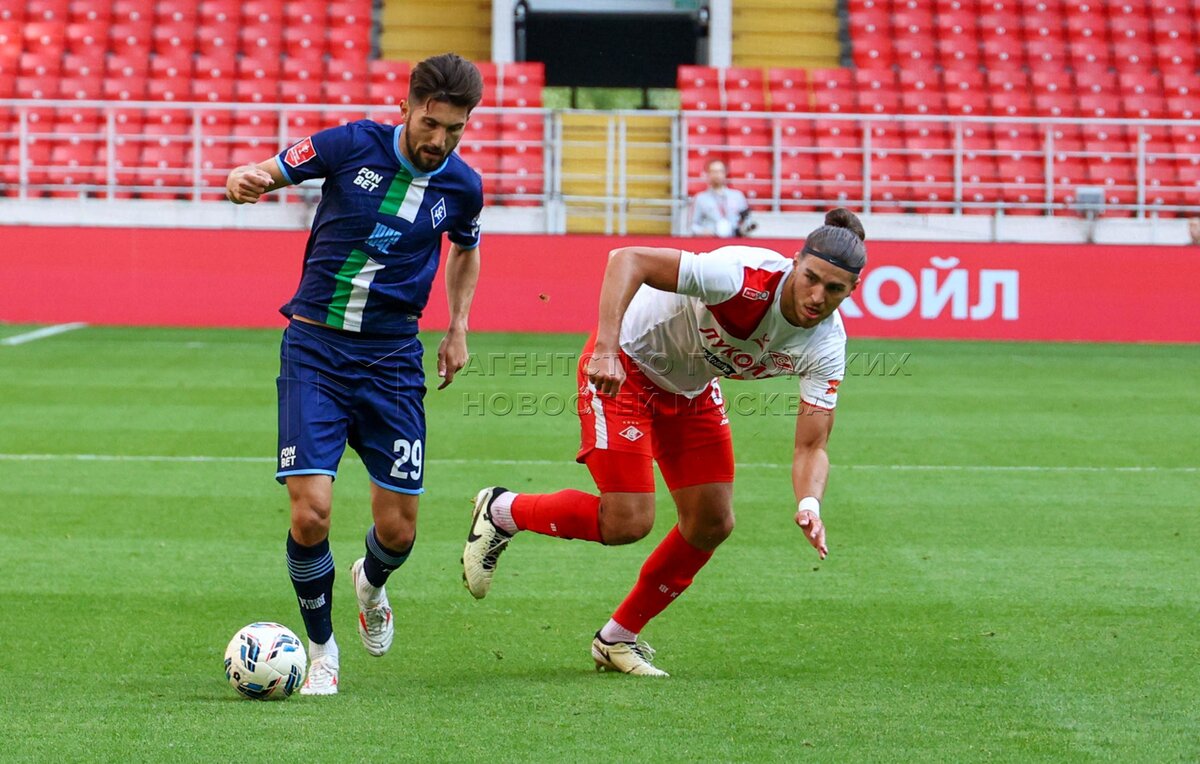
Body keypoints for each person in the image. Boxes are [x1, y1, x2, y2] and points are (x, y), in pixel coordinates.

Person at [462, 208, 866, 676]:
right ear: (795, 262)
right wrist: (606, 349)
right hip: (626, 366)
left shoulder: (827, 345)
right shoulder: (740, 276)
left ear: (852, 290)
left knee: (711, 522)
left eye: (834, 289)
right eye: (811, 278)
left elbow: (811, 446)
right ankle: (503, 510)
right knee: (628, 521)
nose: (816, 296)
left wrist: (810, 504)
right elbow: (627, 258)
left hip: (692, 391)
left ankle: (617, 639)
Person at [225, 53, 485, 695]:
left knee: (398, 530)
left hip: (393, 360)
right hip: (314, 348)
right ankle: (321, 651)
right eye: (430, 124)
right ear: (406, 108)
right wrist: (245, 177)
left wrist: (458, 326)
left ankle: (370, 583)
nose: (439, 140)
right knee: (311, 513)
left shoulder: (463, 186)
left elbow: (466, 249)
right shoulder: (349, 144)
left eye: (454, 130)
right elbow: (272, 168)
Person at [688, 158, 752, 238]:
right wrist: (703, 232)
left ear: (725, 173)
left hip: (734, 239)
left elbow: (747, 220)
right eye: (713, 172)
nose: (717, 175)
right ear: (708, 174)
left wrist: (743, 229)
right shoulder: (700, 198)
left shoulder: (738, 196)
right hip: (711, 240)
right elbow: (692, 225)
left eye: (720, 171)